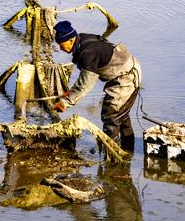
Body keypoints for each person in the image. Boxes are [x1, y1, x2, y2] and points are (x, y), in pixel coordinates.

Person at [53, 21, 141, 151]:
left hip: (126, 77)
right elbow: (83, 78)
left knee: (110, 115)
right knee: (122, 115)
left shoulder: (88, 52)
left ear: (71, 40)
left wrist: (65, 102)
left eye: (61, 44)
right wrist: (70, 92)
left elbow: (85, 85)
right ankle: (128, 152)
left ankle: (111, 154)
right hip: (131, 67)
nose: (60, 48)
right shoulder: (83, 39)